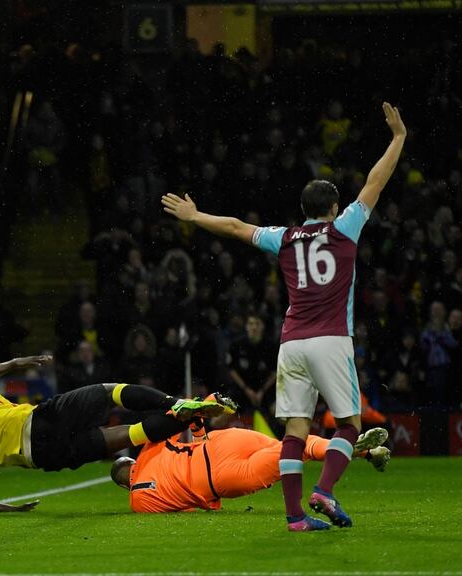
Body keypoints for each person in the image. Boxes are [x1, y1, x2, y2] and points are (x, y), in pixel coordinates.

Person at [162, 102, 406, 531]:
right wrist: (398, 138)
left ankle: (295, 517)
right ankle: (325, 491)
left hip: (290, 341)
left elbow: (237, 227)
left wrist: (195, 215)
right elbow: (376, 181)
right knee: (349, 424)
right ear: (333, 206)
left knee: (294, 431)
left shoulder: (286, 237)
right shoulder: (345, 226)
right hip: (331, 338)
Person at [0, 355, 235, 512]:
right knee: (110, 391)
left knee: (129, 435)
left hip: (44, 457)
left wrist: (11, 510)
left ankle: (190, 417)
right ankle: (176, 404)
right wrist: (13, 364)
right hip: (40, 422)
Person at [109, 427, 390, 515]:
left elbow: (193, 507)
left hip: (219, 479)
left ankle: (356, 449)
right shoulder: (148, 449)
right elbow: (176, 418)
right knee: (290, 442)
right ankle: (366, 451)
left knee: (296, 450)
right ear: (132, 462)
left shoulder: (139, 503)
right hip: (218, 442)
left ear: (124, 486)